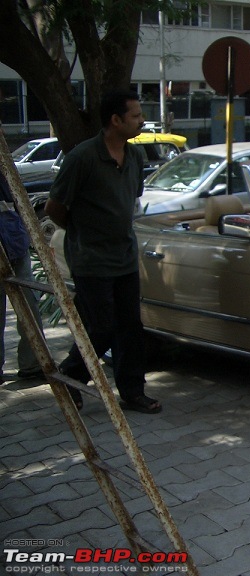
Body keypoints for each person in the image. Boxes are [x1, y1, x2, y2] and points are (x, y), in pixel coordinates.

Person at [45, 89, 161, 413]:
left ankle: (133, 391)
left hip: (124, 256)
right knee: (100, 327)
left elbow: (131, 198)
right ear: (116, 120)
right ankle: (72, 375)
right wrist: (82, 230)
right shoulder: (82, 157)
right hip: (91, 259)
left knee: (130, 328)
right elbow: (54, 207)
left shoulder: (135, 156)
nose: (142, 120)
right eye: (136, 116)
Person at [0, 171, 44, 381]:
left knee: (29, 305)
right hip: (11, 241)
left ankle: (33, 363)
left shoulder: (5, 169)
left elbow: (19, 203)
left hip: (16, 244)